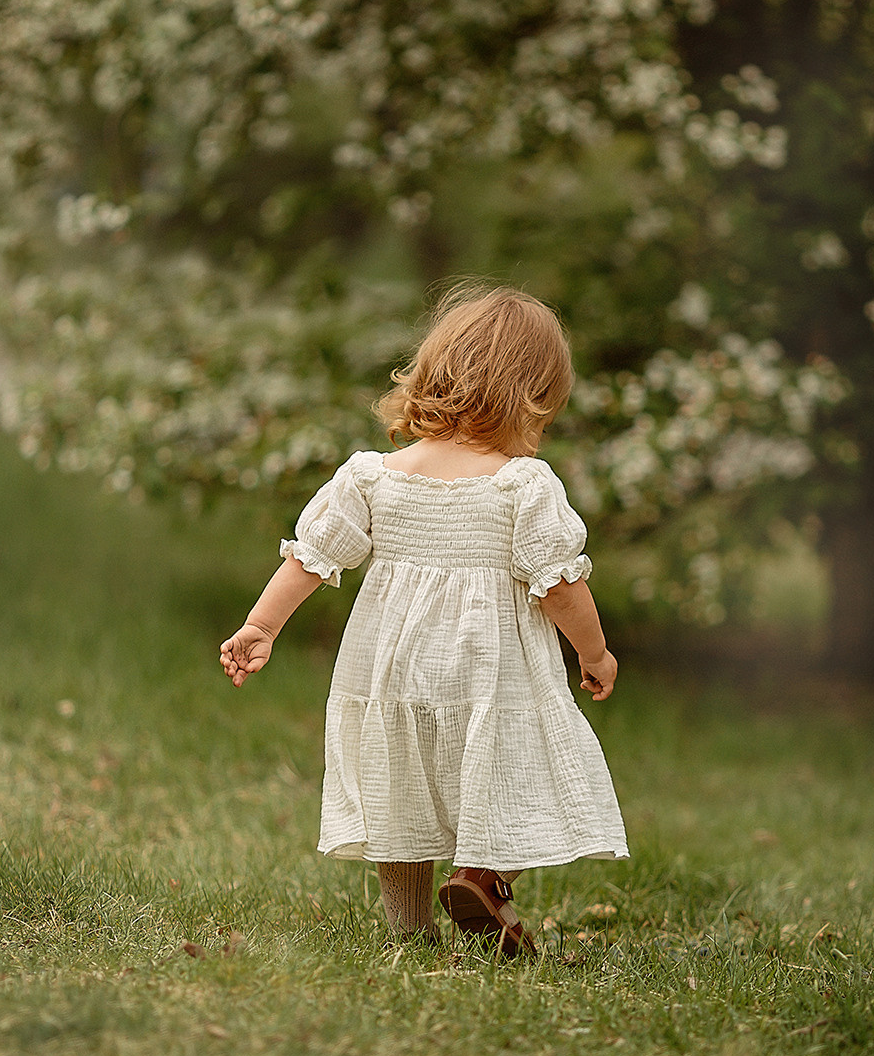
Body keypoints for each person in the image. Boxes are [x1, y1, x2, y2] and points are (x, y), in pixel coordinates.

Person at [219, 284, 628, 953]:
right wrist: (595, 652)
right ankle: (482, 877)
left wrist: (262, 627)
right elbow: (559, 586)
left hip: (391, 667)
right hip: (490, 670)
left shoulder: (374, 476)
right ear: (533, 397)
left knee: (399, 785)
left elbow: (314, 558)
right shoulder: (522, 484)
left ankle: (410, 933)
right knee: (512, 768)